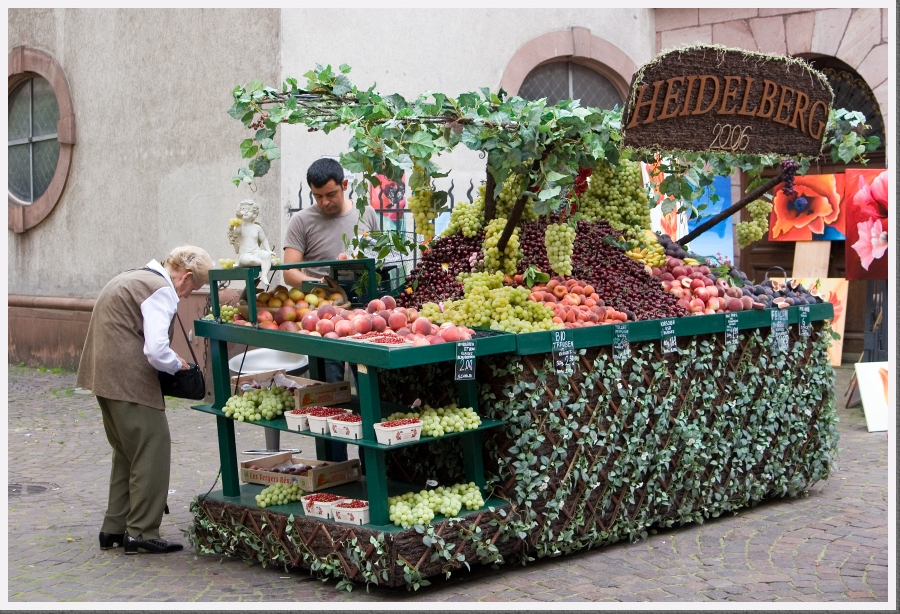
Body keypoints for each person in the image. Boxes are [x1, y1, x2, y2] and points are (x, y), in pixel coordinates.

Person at [77, 246, 214, 554]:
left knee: (128, 452)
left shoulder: (134, 276)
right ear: (187, 277)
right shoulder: (161, 290)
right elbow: (155, 349)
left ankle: (113, 527)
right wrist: (176, 364)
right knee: (153, 447)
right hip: (130, 380)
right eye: (195, 286)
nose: (191, 292)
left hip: (105, 376)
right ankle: (141, 531)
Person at [283, 158, 380, 460]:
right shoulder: (301, 221)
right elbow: (289, 272)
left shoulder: (368, 215)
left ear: (344, 186)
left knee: (369, 394)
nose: (324, 202)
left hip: (366, 319)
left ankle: (369, 466)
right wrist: (323, 292)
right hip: (324, 321)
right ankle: (335, 467)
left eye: (331, 194)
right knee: (330, 395)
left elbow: (378, 262)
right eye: (317, 196)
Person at [228, 199, 275, 285]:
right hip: (245, 255)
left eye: (249, 210)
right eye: (243, 209)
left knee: (266, 255)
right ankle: (266, 263)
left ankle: (264, 276)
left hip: (256, 252)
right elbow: (238, 231)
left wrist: (268, 250)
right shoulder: (238, 227)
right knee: (250, 260)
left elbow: (263, 239)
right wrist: (238, 218)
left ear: (254, 214)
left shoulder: (257, 227)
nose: (245, 212)